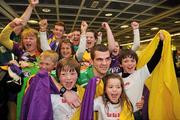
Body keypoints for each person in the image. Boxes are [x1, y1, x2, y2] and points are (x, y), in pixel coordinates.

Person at [118, 32, 165, 119]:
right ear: (120, 64)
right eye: (126, 61)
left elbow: (155, 59)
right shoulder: (117, 78)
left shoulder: (140, 74)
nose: (130, 64)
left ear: (136, 62)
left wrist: (161, 42)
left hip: (136, 114)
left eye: (132, 61)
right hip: (120, 115)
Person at [21, 50, 60, 120]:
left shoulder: (58, 78)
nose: (43, 67)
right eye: (41, 63)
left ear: (55, 65)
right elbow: (28, 100)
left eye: (47, 64)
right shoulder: (33, 79)